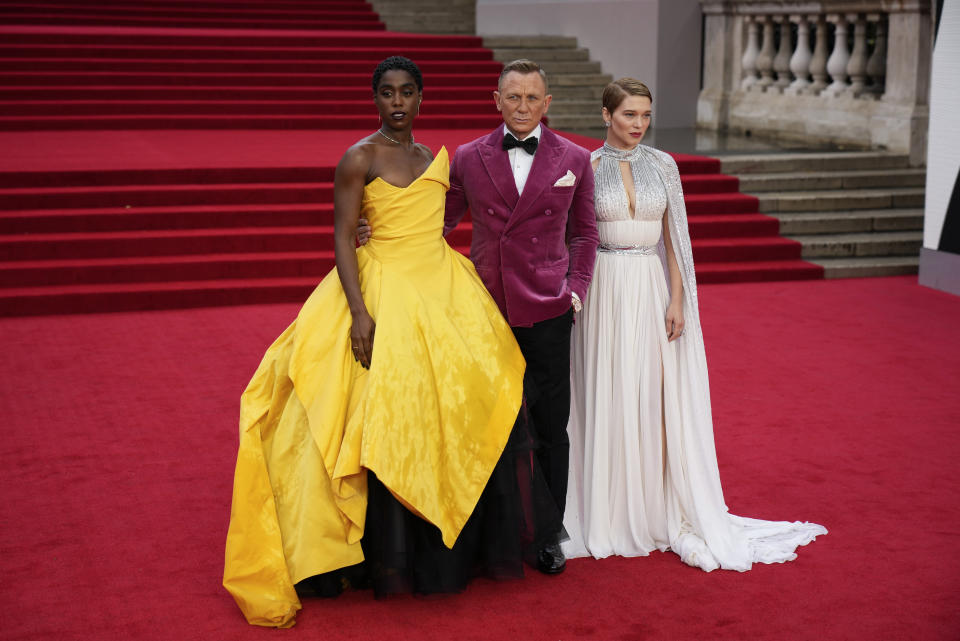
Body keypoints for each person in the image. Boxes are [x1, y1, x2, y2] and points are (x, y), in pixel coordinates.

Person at [223, 57, 558, 628]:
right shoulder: (359, 157)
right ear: (375, 98)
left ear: (421, 98)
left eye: (406, 93)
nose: (397, 102)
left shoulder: (434, 160)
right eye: (386, 93)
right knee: (381, 411)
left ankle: (460, 538)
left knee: (464, 397)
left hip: (444, 291)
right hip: (382, 292)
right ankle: (373, 549)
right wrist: (358, 313)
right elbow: (341, 235)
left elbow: (444, 217)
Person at [562, 78, 826, 570]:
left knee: (648, 393)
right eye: (628, 115)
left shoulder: (664, 165)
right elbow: (571, 237)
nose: (638, 125)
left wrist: (678, 300)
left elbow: (676, 240)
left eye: (645, 115)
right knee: (605, 390)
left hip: (649, 285)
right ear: (605, 115)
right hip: (601, 290)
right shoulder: (584, 166)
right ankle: (604, 506)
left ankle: (652, 502)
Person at [442, 59, 600, 575]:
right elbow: (439, 224)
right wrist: (387, 241)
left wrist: (575, 290)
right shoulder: (468, 157)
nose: (524, 107)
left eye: (533, 98)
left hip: (549, 310)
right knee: (486, 423)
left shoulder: (575, 156)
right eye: (514, 97)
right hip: (485, 310)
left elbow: (585, 235)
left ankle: (549, 534)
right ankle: (489, 530)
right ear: (496, 100)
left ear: (548, 103)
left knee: (551, 426)